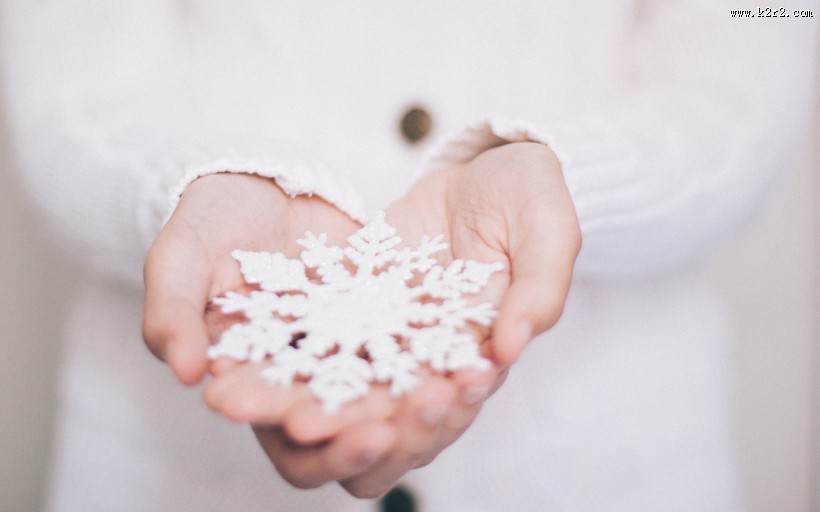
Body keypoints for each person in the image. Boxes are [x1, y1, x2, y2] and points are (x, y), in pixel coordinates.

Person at [1, 1, 816, 511]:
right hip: (177, 459)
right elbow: (74, 96)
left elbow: (748, 86)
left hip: (608, 452)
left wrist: (566, 179)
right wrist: (199, 185)